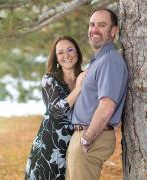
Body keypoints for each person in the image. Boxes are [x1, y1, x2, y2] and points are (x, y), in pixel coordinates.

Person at [66, 8, 128, 180]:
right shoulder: (98, 61)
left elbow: (107, 105)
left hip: (92, 137)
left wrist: (86, 139)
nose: (94, 29)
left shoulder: (109, 60)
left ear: (113, 31)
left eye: (102, 25)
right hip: (83, 136)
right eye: (92, 24)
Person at [25, 36, 86, 180]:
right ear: (56, 58)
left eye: (70, 49)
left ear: (77, 52)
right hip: (48, 147)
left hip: (74, 145)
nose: (66, 55)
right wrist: (78, 89)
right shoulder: (50, 79)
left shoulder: (85, 77)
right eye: (61, 52)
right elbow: (56, 110)